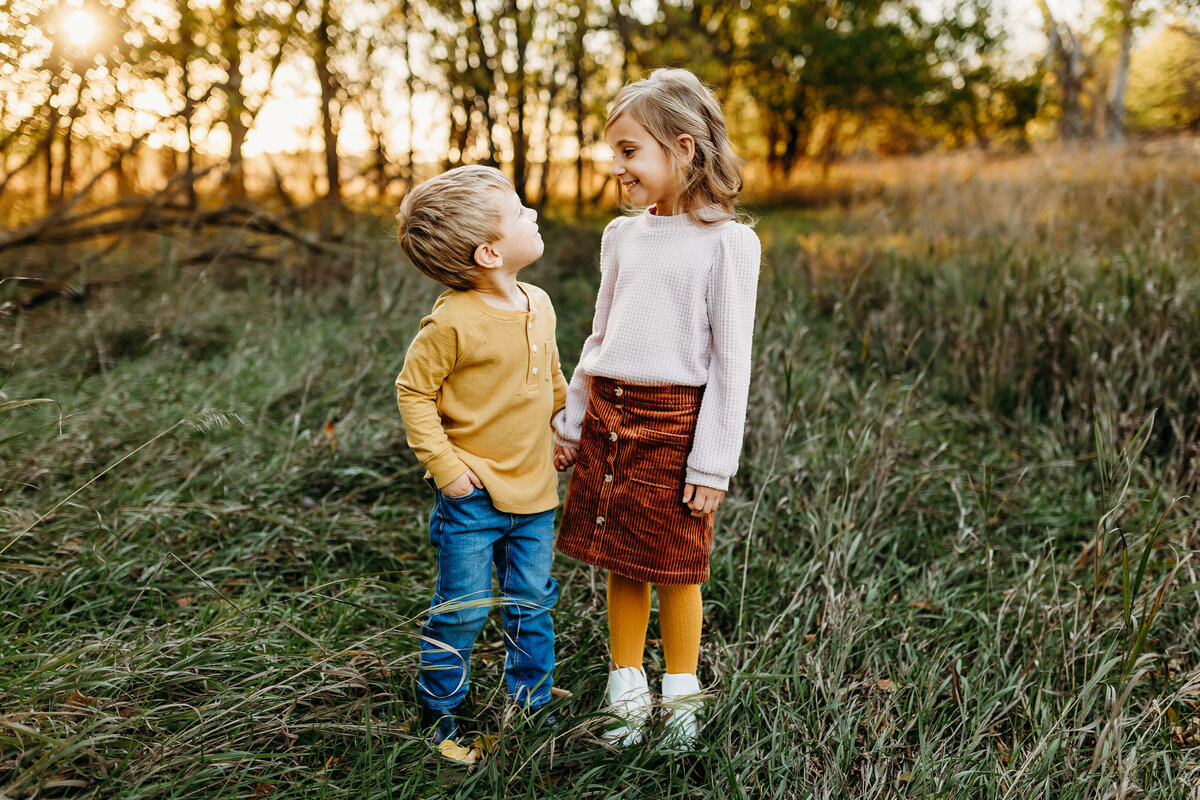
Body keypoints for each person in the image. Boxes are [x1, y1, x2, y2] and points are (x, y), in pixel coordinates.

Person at [552, 68, 761, 749]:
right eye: (614, 152)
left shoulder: (728, 244)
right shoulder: (622, 236)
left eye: (629, 151)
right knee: (620, 558)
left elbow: (732, 364)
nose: (617, 167)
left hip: (675, 423)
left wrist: (714, 463)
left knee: (675, 563)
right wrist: (573, 418)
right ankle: (626, 689)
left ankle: (681, 694)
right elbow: (600, 335)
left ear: (684, 149)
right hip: (609, 414)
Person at [395, 165, 568, 748]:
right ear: (491, 252)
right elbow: (413, 392)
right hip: (473, 498)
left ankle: (530, 703)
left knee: (530, 605)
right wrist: (446, 469)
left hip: (536, 492)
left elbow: (551, 376)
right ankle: (440, 706)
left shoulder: (538, 302)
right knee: (464, 610)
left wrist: (564, 428)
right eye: (520, 212)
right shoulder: (451, 322)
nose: (534, 214)